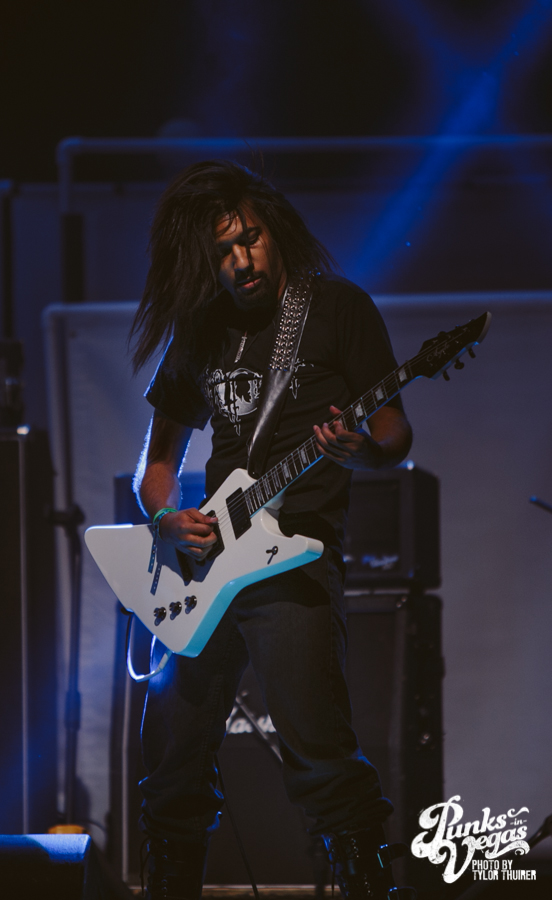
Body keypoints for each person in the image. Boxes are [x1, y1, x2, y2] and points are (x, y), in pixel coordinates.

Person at [131, 160, 414, 900]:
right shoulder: (201, 327)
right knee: (171, 759)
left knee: (318, 753)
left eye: (250, 239)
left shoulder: (337, 308)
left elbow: (393, 432)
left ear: (274, 231)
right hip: (207, 566)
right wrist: (164, 519)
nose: (241, 261)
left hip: (294, 559)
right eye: (223, 251)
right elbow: (156, 466)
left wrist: (359, 449)